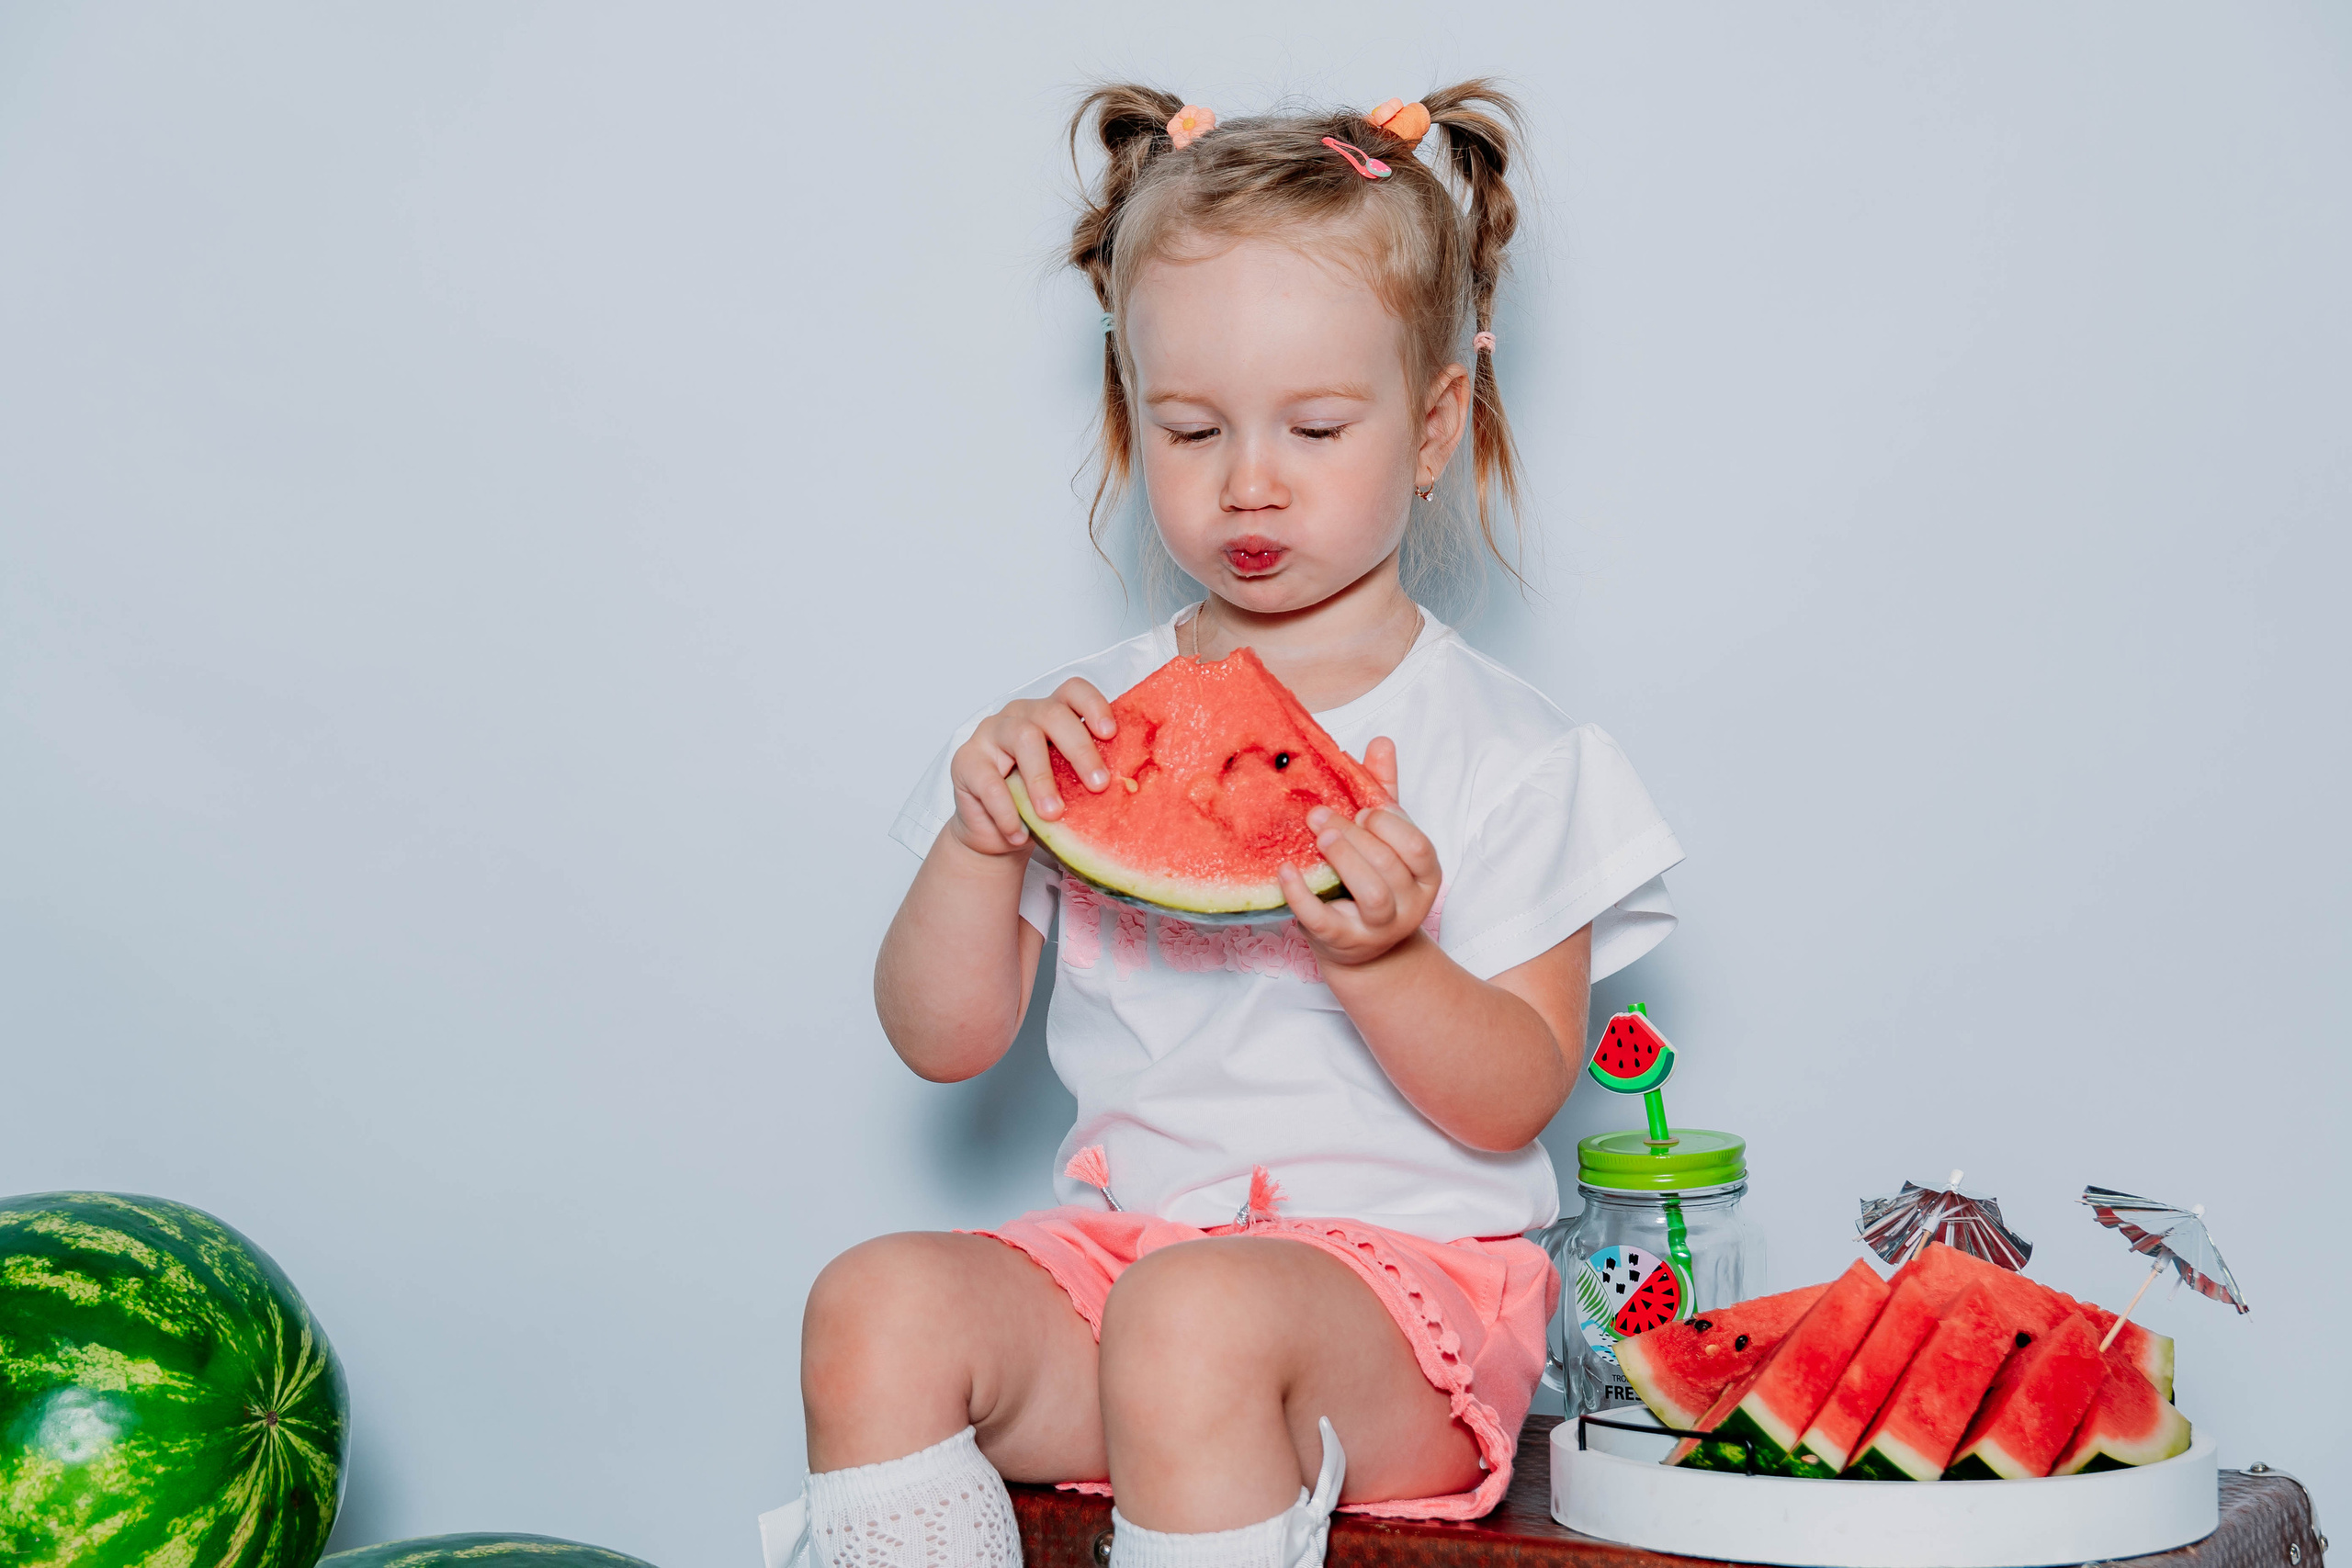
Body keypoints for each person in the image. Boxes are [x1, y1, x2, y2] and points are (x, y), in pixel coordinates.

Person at [764, 83, 1683, 1568]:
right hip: (1127, 1273)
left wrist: (1389, 960)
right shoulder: (1076, 728)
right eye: (1191, 429)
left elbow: (1516, 1096)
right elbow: (940, 1041)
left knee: (1189, 1320)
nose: (1249, 480)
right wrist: (982, 842)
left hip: (1408, 1313)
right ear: (1136, 416)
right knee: (873, 1303)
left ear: (1437, 420)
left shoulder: (1518, 756)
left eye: (1316, 427)